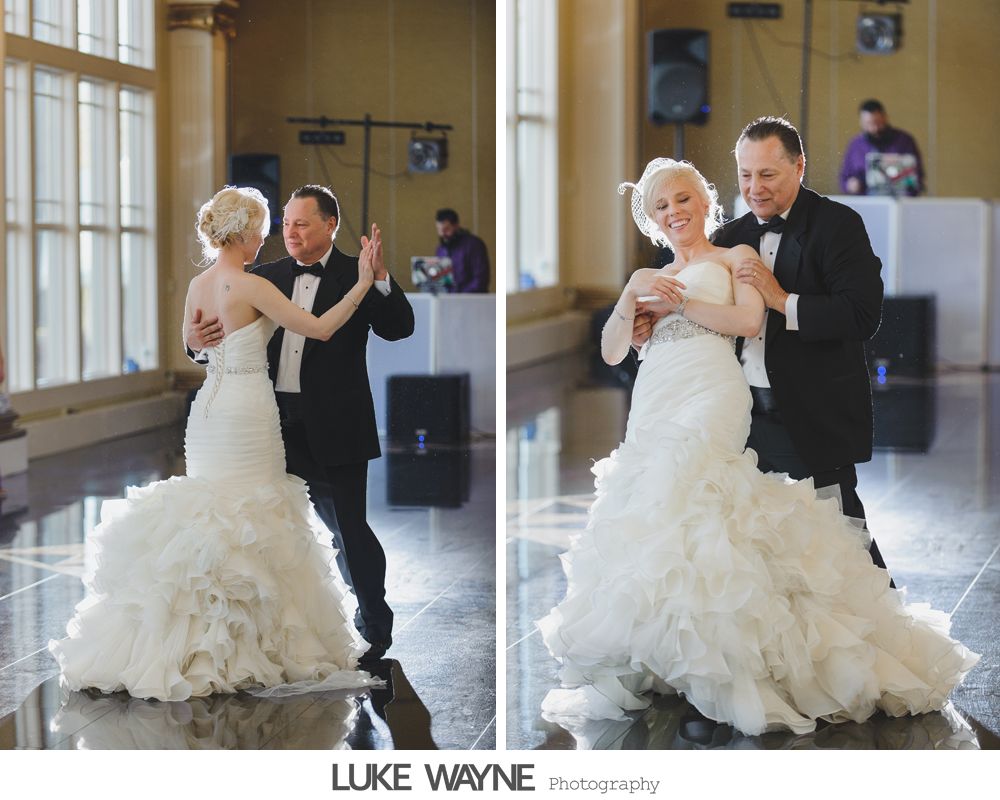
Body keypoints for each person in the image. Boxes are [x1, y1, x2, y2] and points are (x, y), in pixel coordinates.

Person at [538, 157, 978, 736]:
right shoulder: (648, 276)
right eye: (661, 207)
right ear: (652, 220)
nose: (675, 213)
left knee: (700, 497)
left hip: (711, 391)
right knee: (658, 516)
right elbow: (614, 352)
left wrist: (676, 305)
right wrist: (630, 298)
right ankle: (677, 652)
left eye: (683, 199)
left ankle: (745, 655)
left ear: (704, 200)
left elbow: (748, 321)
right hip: (655, 396)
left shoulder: (734, 256)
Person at [49, 187, 383, 701]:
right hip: (248, 412)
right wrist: (361, 285)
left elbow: (195, 343)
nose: (270, 237)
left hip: (207, 413)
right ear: (247, 233)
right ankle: (247, 640)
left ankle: (188, 640)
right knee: (253, 518)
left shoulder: (199, 284)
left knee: (213, 514)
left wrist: (196, 343)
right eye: (266, 228)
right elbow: (316, 329)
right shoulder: (250, 284)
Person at [639, 116, 892, 582]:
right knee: (761, 549)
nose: (755, 188)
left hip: (813, 416)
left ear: (799, 167)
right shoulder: (730, 237)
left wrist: (780, 300)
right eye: (745, 175)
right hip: (741, 419)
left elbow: (862, 316)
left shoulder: (838, 225)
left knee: (842, 542)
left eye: (768, 174)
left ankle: (883, 639)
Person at [188, 185, 415, 664]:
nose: (289, 232)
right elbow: (212, 335)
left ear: (330, 224)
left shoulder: (358, 271)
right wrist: (193, 342)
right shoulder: (261, 275)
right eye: (285, 223)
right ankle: (263, 635)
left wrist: (376, 278)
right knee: (260, 531)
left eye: (301, 223)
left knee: (349, 532)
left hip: (335, 424)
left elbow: (399, 328)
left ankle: (374, 623)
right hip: (266, 425)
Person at [839, 99, 924, 196]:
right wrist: (850, 185)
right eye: (869, 124)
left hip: (898, 201)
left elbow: (917, 176)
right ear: (861, 123)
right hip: (866, 202)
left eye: (877, 123)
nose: (874, 129)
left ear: (885, 118)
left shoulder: (904, 141)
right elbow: (844, 178)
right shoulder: (855, 145)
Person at [435, 208, 490, 293]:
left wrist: (459, 295)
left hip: (473, 300)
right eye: (439, 230)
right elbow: (443, 280)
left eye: (446, 229)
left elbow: (480, 279)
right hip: (449, 301)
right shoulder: (441, 249)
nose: (442, 234)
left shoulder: (474, 245)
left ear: (456, 226)